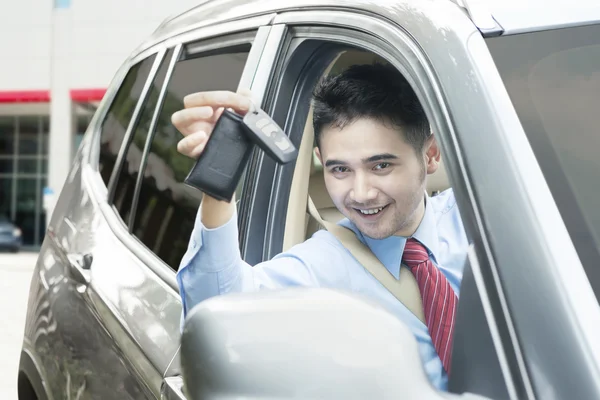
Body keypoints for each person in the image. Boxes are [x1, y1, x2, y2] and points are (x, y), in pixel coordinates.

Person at [171, 63, 469, 391]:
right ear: (320, 159)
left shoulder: (479, 222)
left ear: (431, 155)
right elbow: (216, 322)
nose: (361, 193)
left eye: (381, 165)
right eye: (340, 169)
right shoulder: (321, 265)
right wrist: (217, 182)